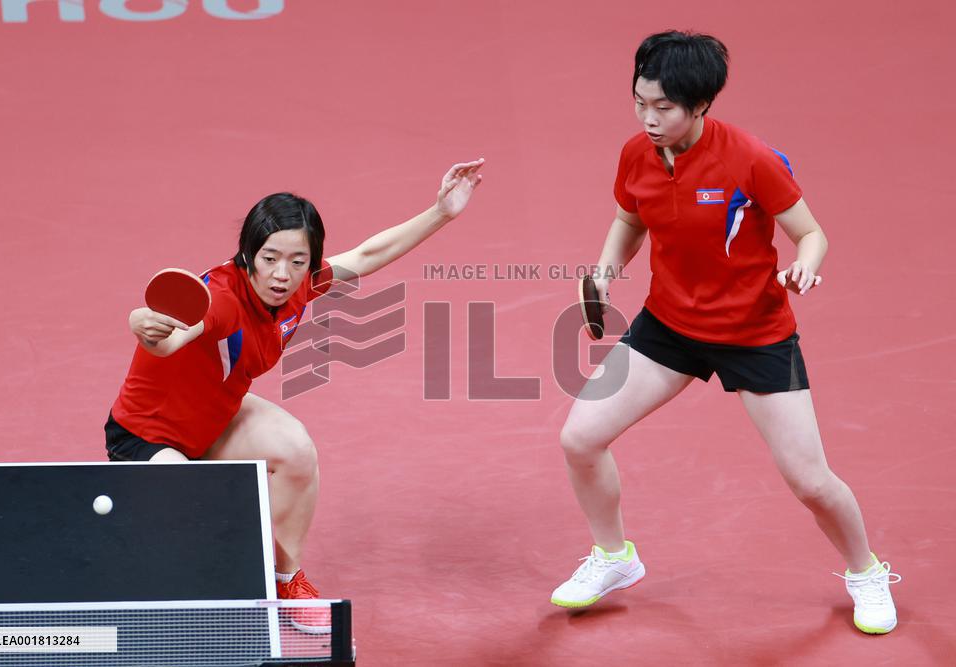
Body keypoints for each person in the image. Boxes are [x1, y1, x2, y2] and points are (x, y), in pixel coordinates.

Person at [550, 31, 900, 635]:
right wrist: (605, 273)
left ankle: (865, 570)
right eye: (640, 102)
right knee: (580, 438)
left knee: (810, 480)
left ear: (702, 105)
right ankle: (614, 558)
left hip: (755, 332)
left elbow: (811, 233)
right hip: (670, 326)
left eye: (665, 107)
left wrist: (806, 266)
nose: (649, 118)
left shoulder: (751, 158)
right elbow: (628, 217)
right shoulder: (637, 152)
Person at [106, 159, 484, 633]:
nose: (282, 274)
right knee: (191, 519)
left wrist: (441, 212)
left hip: (213, 421)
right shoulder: (221, 298)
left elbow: (367, 255)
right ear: (247, 254)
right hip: (146, 438)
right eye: (269, 258)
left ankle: (287, 579)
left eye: (297, 261)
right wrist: (142, 325)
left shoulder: (300, 287)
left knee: (295, 450)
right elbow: (171, 338)